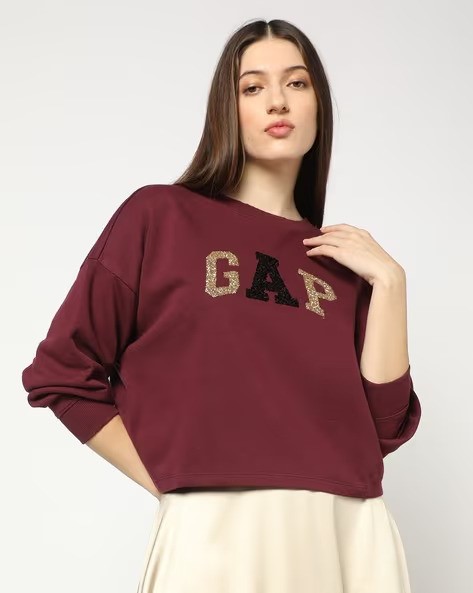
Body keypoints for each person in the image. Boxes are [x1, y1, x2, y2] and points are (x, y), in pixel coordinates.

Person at [21, 18, 422, 593]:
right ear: (226, 111)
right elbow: (61, 375)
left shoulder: (343, 265)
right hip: (216, 534)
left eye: (297, 83)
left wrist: (391, 283)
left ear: (319, 105)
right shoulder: (161, 217)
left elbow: (383, 427)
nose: (278, 101)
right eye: (253, 87)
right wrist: (174, 482)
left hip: (352, 532)